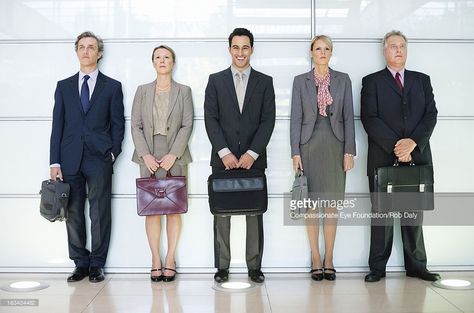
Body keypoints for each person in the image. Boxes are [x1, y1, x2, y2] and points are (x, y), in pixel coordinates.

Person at [361, 30, 440, 282]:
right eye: (393, 46)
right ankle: (377, 268)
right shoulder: (371, 81)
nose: (398, 50)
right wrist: (398, 147)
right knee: (381, 216)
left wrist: (413, 144)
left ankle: (417, 266)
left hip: (417, 157)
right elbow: (369, 118)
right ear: (384, 51)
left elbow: (430, 115)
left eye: (402, 46)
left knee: (413, 214)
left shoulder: (422, 80)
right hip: (383, 159)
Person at [49, 31, 125, 283]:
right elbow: (57, 126)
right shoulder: (63, 86)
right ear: (76, 51)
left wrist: (113, 152)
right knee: (73, 212)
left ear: (99, 53)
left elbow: (117, 125)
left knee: (100, 212)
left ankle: (97, 264)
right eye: (81, 47)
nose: (86, 51)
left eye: (91, 47)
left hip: (99, 158)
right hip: (70, 159)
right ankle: (80, 263)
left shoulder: (112, 87)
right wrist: (55, 162)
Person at [204, 28, 276, 283]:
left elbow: (268, 121)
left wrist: (252, 153)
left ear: (252, 49)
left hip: (253, 160)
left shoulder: (265, 82)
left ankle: (254, 268)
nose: (240, 52)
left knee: (254, 213)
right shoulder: (215, 80)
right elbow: (210, 119)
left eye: (245, 47)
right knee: (222, 214)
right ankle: (222, 267)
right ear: (229, 49)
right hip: (222, 159)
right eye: (236, 47)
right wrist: (223, 152)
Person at [290, 35, 356, 281]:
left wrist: (349, 151)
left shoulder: (343, 79)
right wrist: (295, 152)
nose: (322, 52)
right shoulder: (300, 81)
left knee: (331, 206)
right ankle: (315, 258)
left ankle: (329, 258)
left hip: (336, 145)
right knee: (311, 205)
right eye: (318, 48)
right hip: (308, 146)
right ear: (311, 52)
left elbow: (349, 117)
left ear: (331, 52)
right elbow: (295, 118)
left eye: (327, 48)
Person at [131, 45, 194, 282]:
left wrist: (173, 154)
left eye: (167, 57)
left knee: (173, 209)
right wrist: (145, 154)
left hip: (175, 154)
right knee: (152, 210)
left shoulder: (183, 91)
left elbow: (188, 124)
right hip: (148, 155)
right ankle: (155, 259)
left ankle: (170, 259)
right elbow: (135, 125)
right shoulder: (142, 90)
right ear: (153, 62)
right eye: (158, 57)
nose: (162, 60)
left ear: (173, 62)